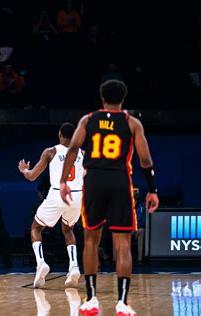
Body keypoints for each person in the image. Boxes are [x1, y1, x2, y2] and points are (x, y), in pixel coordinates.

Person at [60, 80, 159, 315]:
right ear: (123, 99)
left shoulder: (88, 119)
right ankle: (122, 303)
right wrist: (152, 189)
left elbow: (73, 148)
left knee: (91, 240)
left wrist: (63, 181)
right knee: (123, 244)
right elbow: (145, 160)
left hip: (93, 180)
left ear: (102, 98)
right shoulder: (132, 123)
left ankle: (91, 299)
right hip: (120, 180)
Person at [18, 123, 83, 288]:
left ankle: (41, 263)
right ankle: (74, 265)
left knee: (36, 228)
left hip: (58, 193)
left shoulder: (51, 151)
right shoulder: (82, 153)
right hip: (77, 196)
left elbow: (32, 176)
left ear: (60, 135)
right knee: (68, 229)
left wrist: (25, 170)